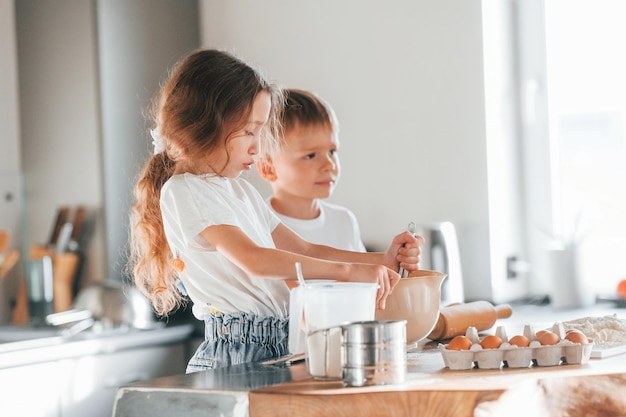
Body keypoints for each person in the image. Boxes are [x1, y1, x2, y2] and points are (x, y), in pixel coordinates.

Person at [128, 49, 422, 372]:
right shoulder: (184, 192)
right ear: (204, 125)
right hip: (237, 352)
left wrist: (381, 259)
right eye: (248, 131)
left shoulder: (239, 191)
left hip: (278, 343)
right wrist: (348, 272)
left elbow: (304, 248)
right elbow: (255, 259)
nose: (256, 145)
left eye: (260, 130)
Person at [257, 89, 366, 252]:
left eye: (332, 151)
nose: (329, 164)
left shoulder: (344, 222)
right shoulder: (257, 224)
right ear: (268, 168)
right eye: (310, 155)